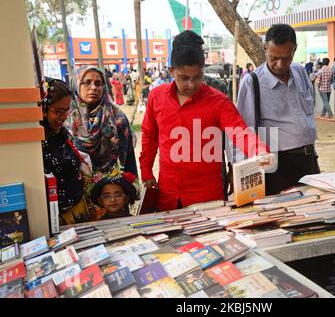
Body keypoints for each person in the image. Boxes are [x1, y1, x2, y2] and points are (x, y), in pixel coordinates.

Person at [139, 30, 273, 211]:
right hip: (168, 193)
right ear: (171, 71)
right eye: (183, 78)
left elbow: (239, 132)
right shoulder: (157, 97)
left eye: (197, 77)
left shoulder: (218, 101)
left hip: (207, 197)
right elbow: (149, 135)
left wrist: (259, 151)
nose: (191, 85)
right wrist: (146, 171)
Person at [235, 24, 320, 196]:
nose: (280, 64)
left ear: (294, 50)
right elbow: (243, 131)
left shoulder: (300, 72)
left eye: (286, 58)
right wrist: (241, 173)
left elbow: (308, 112)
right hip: (277, 166)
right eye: (274, 57)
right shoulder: (252, 83)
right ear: (265, 48)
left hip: (308, 159)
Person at [65, 65, 138, 178]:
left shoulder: (117, 118)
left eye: (98, 83)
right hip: (76, 187)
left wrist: (132, 186)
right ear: (76, 84)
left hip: (111, 188)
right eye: (87, 82)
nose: (93, 87)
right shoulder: (65, 119)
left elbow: (129, 161)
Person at [40, 79, 91, 225]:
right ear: (43, 108)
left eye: (66, 111)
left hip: (77, 212)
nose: (63, 117)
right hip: (56, 220)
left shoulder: (61, 134)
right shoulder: (38, 142)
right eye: (57, 111)